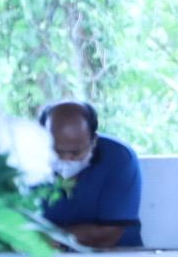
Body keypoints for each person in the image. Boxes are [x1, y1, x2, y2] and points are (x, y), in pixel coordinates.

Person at [37, 100, 143, 249]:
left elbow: (110, 233)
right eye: (57, 151)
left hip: (114, 254)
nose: (66, 159)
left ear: (93, 141)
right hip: (40, 255)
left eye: (76, 153)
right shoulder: (22, 160)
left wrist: (50, 237)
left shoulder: (119, 158)